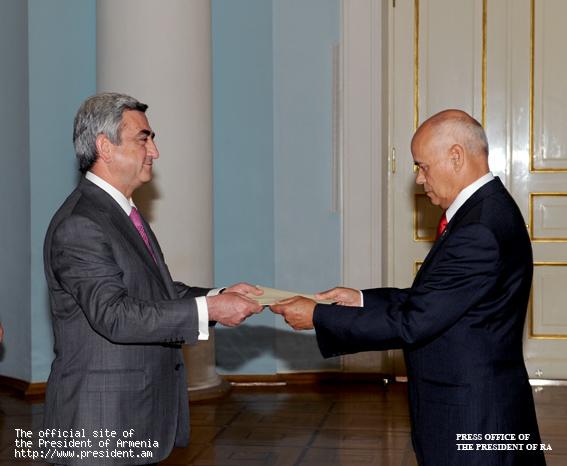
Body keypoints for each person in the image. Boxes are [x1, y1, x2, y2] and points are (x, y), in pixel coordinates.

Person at [271, 109, 545, 466]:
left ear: (456, 157)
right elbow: (435, 300)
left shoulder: (478, 228)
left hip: (473, 414)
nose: (418, 179)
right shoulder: (488, 209)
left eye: (423, 166)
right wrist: (360, 299)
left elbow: (415, 321)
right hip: (481, 402)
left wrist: (319, 317)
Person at [43, 93, 263, 466]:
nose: (154, 152)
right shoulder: (81, 223)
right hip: (100, 422)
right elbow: (115, 315)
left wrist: (219, 294)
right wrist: (209, 309)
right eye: (143, 139)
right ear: (105, 147)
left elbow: (154, 291)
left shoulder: (119, 212)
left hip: (130, 413)